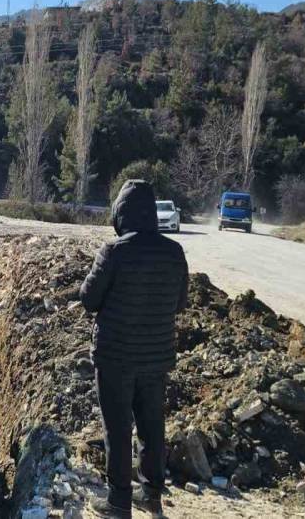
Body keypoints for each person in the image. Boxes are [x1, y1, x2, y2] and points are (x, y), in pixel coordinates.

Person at [80, 180, 189, 519]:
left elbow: (89, 298)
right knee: (152, 426)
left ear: (121, 213)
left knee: (117, 428)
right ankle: (152, 496)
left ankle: (118, 504)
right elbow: (180, 302)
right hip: (156, 359)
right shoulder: (174, 252)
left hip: (115, 357)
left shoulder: (114, 251)